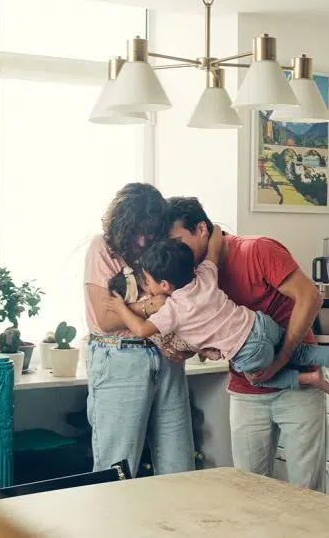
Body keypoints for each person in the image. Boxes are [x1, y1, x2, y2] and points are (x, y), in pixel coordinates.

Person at [165, 196, 329, 490]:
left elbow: (310, 297)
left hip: (299, 386)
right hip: (247, 390)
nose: (174, 251)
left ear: (201, 229)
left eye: (178, 241)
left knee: (308, 493)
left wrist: (279, 361)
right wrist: (189, 347)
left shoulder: (257, 250)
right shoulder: (191, 275)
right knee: (249, 492)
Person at [108, 228, 329, 392]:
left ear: (165, 285)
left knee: (257, 378)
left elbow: (142, 330)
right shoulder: (205, 276)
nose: (147, 287)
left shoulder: (173, 309)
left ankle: (308, 378)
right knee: (300, 351)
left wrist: (121, 307)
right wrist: (214, 229)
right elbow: (214, 248)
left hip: (245, 351)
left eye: (147, 282)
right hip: (260, 324)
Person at [82, 183, 194, 478]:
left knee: (180, 468)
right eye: (137, 232)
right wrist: (154, 306)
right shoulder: (102, 248)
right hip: (119, 358)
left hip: (165, 356)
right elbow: (106, 319)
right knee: (117, 468)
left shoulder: (161, 250)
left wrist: (154, 312)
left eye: (151, 232)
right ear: (122, 224)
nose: (143, 241)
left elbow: (184, 302)